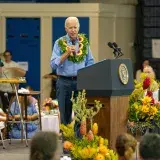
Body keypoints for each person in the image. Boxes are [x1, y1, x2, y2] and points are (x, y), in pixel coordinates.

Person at [50, 17, 94, 126]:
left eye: (75, 27)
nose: (73, 30)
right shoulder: (59, 43)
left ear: (78, 28)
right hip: (64, 82)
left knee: (80, 114)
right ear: (66, 29)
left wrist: (88, 77)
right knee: (65, 114)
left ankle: (78, 140)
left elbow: (90, 62)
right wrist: (66, 53)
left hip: (80, 82)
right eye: (70, 28)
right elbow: (53, 64)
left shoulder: (84, 43)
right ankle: (66, 140)